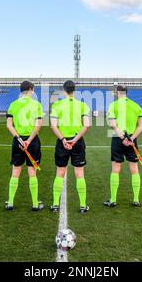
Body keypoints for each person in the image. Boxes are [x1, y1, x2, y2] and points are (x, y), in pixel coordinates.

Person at [50, 80, 91, 214]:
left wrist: (63, 139)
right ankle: (83, 205)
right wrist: (75, 139)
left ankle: (55, 204)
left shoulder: (57, 105)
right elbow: (87, 125)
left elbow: (53, 126)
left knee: (60, 172)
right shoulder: (83, 105)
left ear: (63, 90)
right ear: (74, 90)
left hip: (62, 142)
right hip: (77, 141)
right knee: (79, 173)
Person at [5, 81, 44, 212]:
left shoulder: (13, 105)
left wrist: (19, 139)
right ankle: (34, 204)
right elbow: (38, 125)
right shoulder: (36, 105)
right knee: (31, 171)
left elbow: (9, 125)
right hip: (32, 141)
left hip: (18, 141)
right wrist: (28, 141)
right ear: (31, 89)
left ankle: (10, 202)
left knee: (15, 171)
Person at [104, 85, 142, 208]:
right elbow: (141, 125)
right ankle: (136, 199)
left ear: (117, 92)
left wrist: (123, 138)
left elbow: (112, 125)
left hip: (118, 139)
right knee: (134, 169)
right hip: (132, 139)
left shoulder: (113, 105)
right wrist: (131, 138)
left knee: (116, 169)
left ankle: (113, 200)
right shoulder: (136, 106)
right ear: (127, 92)